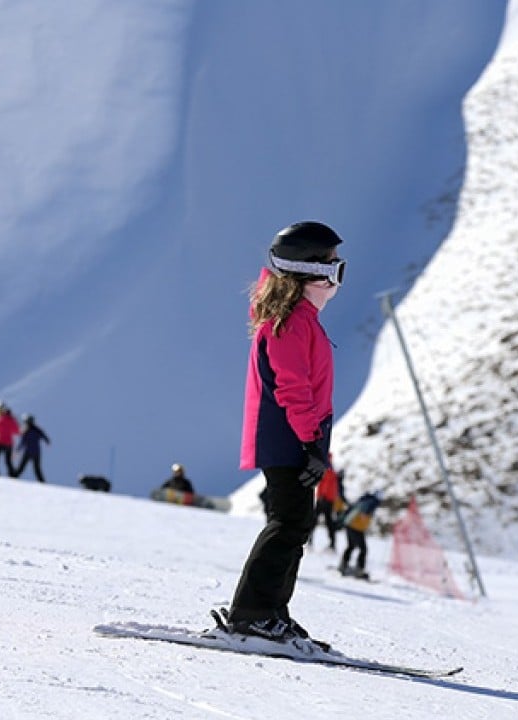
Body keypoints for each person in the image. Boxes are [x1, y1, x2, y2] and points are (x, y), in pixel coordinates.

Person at [222, 220, 345, 643]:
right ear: (309, 269)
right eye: (331, 264)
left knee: (295, 523)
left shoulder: (299, 317)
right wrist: (311, 442)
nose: (336, 274)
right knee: (288, 523)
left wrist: (315, 443)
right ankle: (251, 613)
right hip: (287, 435)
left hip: (294, 435)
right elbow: (293, 387)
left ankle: (271, 610)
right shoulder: (291, 321)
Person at [339, 490, 383, 580]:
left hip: (351, 526)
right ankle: (359, 570)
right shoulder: (372, 502)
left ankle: (343, 566)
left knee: (351, 546)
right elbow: (364, 513)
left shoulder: (366, 499)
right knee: (363, 549)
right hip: (356, 528)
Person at [310, 461, 346, 551]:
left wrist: (322, 496)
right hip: (328, 500)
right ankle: (332, 543)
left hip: (324, 499)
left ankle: (310, 540)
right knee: (328, 522)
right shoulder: (330, 468)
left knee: (315, 520)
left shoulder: (327, 468)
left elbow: (326, 483)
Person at [12, 414, 51, 483]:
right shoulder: (37, 430)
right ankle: (42, 482)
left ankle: (14, 477)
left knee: (22, 467)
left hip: (29, 452)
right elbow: (44, 436)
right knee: (36, 468)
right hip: (36, 452)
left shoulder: (27, 430)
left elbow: (22, 442)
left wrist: (17, 450)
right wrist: (47, 441)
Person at [0, 404, 21, 476]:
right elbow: (17, 432)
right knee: (8, 461)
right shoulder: (13, 421)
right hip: (9, 443)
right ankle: (13, 475)